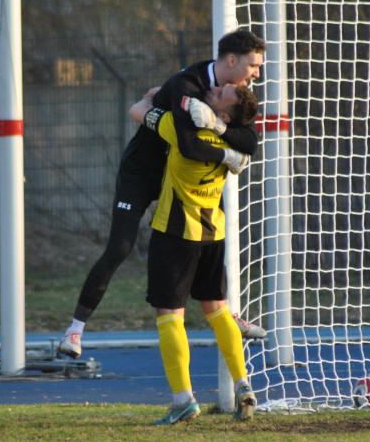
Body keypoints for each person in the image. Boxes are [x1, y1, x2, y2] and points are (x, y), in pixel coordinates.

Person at [58, 29, 268, 359]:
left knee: (215, 233)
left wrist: (220, 128)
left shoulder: (235, 92)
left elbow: (250, 142)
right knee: (120, 247)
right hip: (145, 172)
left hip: (183, 179)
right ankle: (74, 330)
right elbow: (188, 145)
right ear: (231, 61)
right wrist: (228, 155)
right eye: (253, 65)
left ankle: (226, 311)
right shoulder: (188, 84)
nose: (257, 73)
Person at [128, 83, 261, 424]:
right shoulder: (231, 141)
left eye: (220, 95)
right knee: (218, 311)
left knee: (170, 316)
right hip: (213, 233)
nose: (213, 92)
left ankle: (183, 400)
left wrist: (158, 93)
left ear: (222, 114)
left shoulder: (180, 129)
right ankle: (243, 384)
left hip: (175, 234)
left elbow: (137, 110)